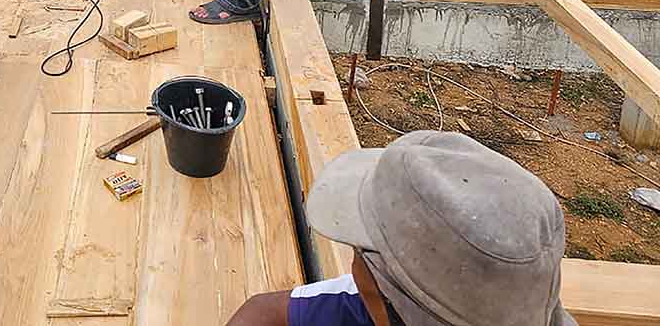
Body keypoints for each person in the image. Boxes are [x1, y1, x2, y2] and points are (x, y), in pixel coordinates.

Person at [226, 130, 576, 326]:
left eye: (364, 250)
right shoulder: (421, 297)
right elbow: (260, 314)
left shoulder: (394, 298)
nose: (357, 262)